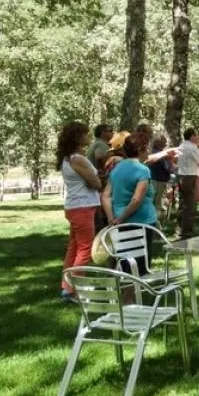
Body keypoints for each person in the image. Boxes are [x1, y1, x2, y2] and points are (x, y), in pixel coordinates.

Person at [57, 122, 102, 303]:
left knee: (74, 247)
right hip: (83, 207)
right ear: (77, 138)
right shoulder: (77, 159)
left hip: (74, 206)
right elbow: (96, 183)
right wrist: (97, 179)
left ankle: (67, 286)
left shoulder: (67, 158)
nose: (88, 137)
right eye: (85, 134)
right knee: (85, 249)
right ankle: (74, 289)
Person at [102, 131, 158, 272]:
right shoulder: (143, 170)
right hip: (141, 222)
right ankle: (133, 293)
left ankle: (127, 293)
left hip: (119, 222)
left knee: (125, 263)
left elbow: (105, 196)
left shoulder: (116, 169)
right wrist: (120, 219)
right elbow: (136, 200)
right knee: (140, 266)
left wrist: (112, 218)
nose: (148, 152)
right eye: (147, 148)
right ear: (140, 150)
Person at [176, 127, 199, 239]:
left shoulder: (181, 146)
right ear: (192, 136)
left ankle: (180, 228)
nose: (198, 137)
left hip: (181, 176)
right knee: (191, 205)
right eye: (196, 135)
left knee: (182, 204)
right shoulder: (193, 148)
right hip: (191, 177)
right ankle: (187, 232)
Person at [149, 133, 174, 223]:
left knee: (153, 204)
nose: (165, 143)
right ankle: (157, 227)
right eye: (164, 141)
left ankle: (154, 225)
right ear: (158, 143)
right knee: (160, 206)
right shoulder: (162, 154)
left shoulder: (152, 152)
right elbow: (168, 168)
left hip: (153, 180)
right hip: (160, 182)